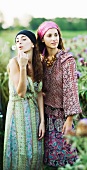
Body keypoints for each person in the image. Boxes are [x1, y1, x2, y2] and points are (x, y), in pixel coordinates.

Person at [36, 21, 82, 169]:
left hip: (63, 118)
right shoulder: (40, 61)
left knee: (68, 160)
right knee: (50, 161)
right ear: (42, 39)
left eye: (56, 35)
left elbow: (71, 90)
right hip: (47, 116)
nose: (54, 38)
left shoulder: (67, 60)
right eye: (49, 35)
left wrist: (69, 121)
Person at [3, 30, 45, 170]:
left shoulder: (39, 64)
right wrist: (22, 66)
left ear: (33, 44)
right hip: (18, 112)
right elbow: (21, 92)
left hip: (34, 114)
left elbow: (39, 93)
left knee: (35, 152)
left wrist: (42, 121)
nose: (19, 42)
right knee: (21, 152)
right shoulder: (14, 62)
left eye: (23, 39)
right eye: (17, 40)